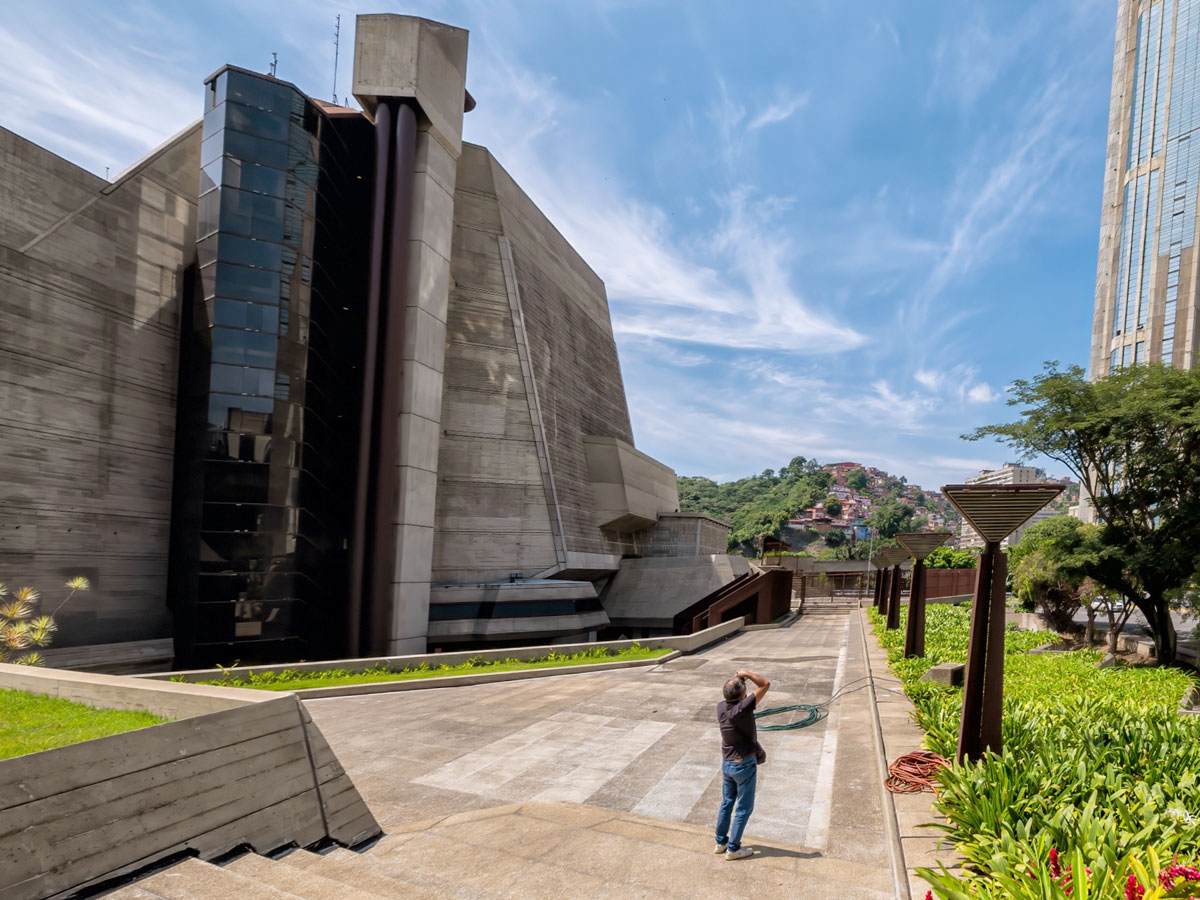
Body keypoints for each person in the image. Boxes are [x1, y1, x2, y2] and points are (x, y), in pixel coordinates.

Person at [714, 667, 770, 860]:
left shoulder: (721, 707)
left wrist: (739, 679)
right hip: (744, 764)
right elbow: (765, 684)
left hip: (728, 764)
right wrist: (745, 673)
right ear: (742, 694)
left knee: (727, 803)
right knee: (744, 808)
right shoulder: (743, 708)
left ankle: (721, 842)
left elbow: (736, 692)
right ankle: (733, 848)